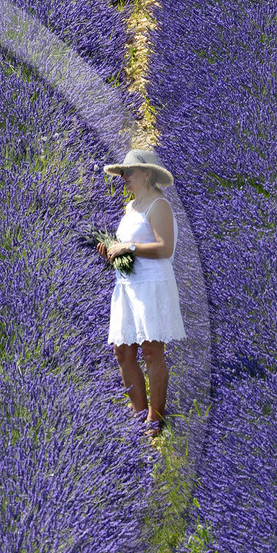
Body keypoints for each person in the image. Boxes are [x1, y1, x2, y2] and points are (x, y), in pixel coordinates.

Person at [97, 149, 185, 434]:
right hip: (128, 285)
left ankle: (155, 421)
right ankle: (138, 417)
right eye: (122, 173)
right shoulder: (131, 207)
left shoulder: (159, 205)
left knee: (151, 352)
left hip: (152, 286)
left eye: (129, 172)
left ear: (146, 174)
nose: (124, 177)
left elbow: (165, 248)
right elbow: (129, 249)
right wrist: (112, 253)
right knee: (122, 352)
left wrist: (129, 247)